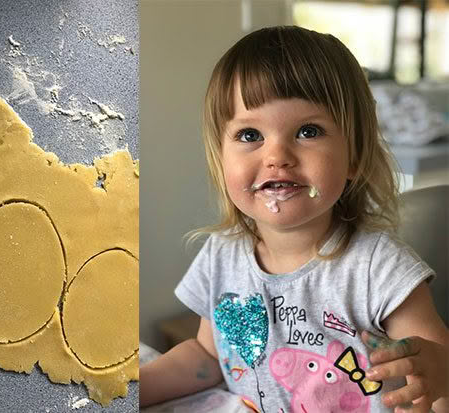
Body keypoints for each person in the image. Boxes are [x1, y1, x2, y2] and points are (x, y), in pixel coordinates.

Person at [139, 26, 448, 413]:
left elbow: (436, 368)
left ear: (353, 155)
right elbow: (204, 357)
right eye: (250, 134)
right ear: (221, 157)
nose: (277, 155)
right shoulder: (221, 255)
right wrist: (130, 392)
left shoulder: (380, 270)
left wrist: (438, 375)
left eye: (307, 131)